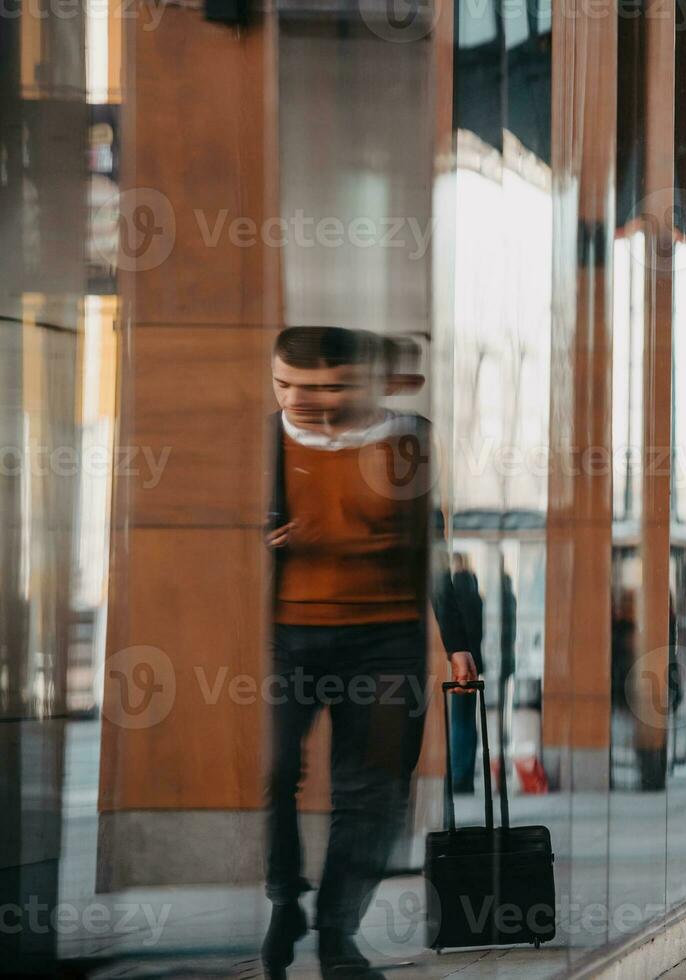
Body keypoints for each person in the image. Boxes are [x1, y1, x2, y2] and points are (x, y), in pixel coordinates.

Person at [261, 327, 477, 979]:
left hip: (383, 636)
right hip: (289, 636)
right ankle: (284, 898)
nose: (300, 399)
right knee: (274, 773)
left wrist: (458, 641)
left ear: (362, 384)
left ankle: (337, 930)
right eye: (286, 384)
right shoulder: (265, 440)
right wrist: (264, 542)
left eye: (324, 387)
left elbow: (429, 545)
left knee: (374, 791)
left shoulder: (408, 438)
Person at [438, 553, 486, 794]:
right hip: (473, 662)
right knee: (468, 721)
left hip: (461, 667)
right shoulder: (475, 592)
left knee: (459, 721)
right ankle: (465, 774)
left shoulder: (456, 592)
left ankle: (458, 776)